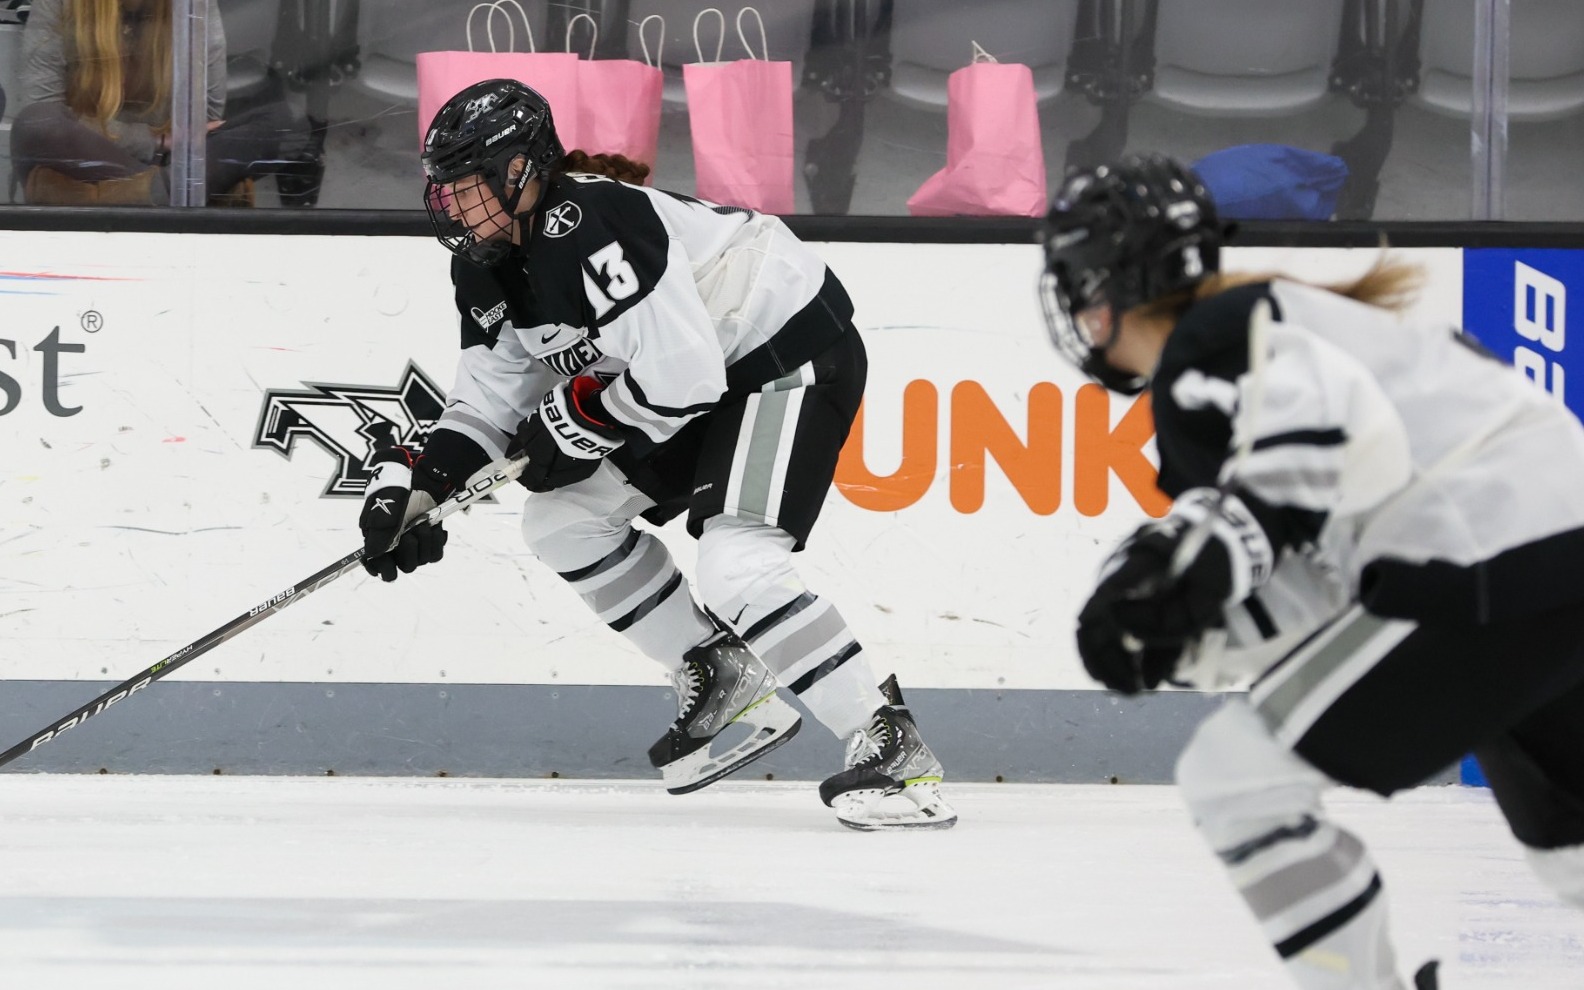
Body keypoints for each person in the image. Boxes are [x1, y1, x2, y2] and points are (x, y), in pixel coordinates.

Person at [1041, 154, 1584, 989]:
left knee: (1234, 778)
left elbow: (1300, 464)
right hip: (1545, 564)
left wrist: (1167, 579)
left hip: (1486, 566)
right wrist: (1188, 617)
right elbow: (1319, 559)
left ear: (1105, 285)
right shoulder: (1276, 322)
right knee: (1572, 849)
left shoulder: (1213, 348)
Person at [356, 78, 957, 831]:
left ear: (520, 171)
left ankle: (891, 747)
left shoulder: (589, 223)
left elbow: (685, 375)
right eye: (442, 189)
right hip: (698, 386)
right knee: (561, 524)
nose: (449, 205)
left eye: (465, 186)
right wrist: (422, 487)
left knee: (738, 564)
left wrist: (577, 423)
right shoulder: (481, 269)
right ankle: (722, 673)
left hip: (784, 352)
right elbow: (487, 402)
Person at [11, 0, 310, 206]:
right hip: (82, 163)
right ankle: (166, 198)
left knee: (288, 120)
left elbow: (205, 118)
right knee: (37, 123)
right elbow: (43, 106)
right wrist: (156, 141)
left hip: (173, 162)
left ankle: (154, 195)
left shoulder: (194, 5)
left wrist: (175, 148)